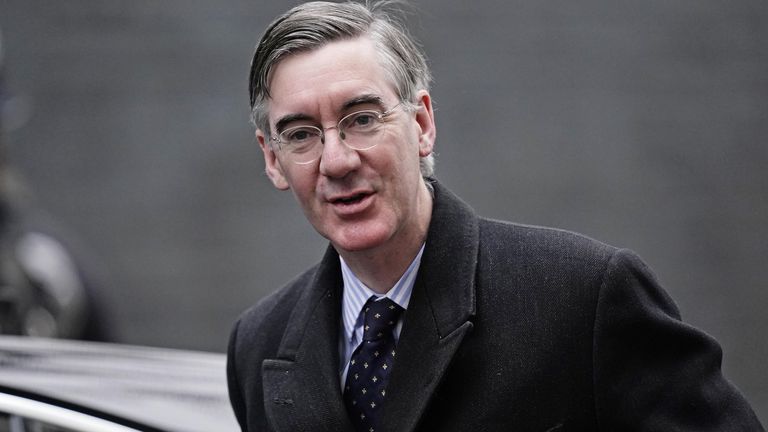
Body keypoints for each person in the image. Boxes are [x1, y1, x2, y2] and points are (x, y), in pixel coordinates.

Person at [226, 2, 764, 431]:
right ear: (272, 159)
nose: (337, 160)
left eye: (362, 119)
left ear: (422, 124)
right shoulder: (258, 345)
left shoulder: (584, 298)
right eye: (300, 135)